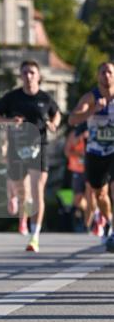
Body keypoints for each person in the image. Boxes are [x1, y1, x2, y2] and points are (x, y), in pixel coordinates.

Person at [0, 60, 61, 253]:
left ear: (38, 76)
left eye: (32, 72)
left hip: (39, 147)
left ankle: (34, 236)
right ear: (20, 76)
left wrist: (53, 124)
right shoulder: (12, 98)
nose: (28, 76)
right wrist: (9, 121)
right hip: (17, 149)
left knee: (38, 189)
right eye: (25, 73)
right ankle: (22, 206)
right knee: (22, 191)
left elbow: (57, 114)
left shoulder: (45, 98)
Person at [68, 61, 114, 252]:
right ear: (98, 76)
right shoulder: (90, 97)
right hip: (95, 152)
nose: (106, 76)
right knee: (100, 193)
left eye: (110, 72)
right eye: (102, 72)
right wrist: (91, 111)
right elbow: (72, 119)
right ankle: (109, 221)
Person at [63, 124, 88, 231]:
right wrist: (79, 140)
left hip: (91, 169)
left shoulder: (93, 130)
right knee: (77, 199)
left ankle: (90, 222)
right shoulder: (73, 134)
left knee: (92, 195)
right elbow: (67, 152)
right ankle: (87, 217)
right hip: (77, 169)